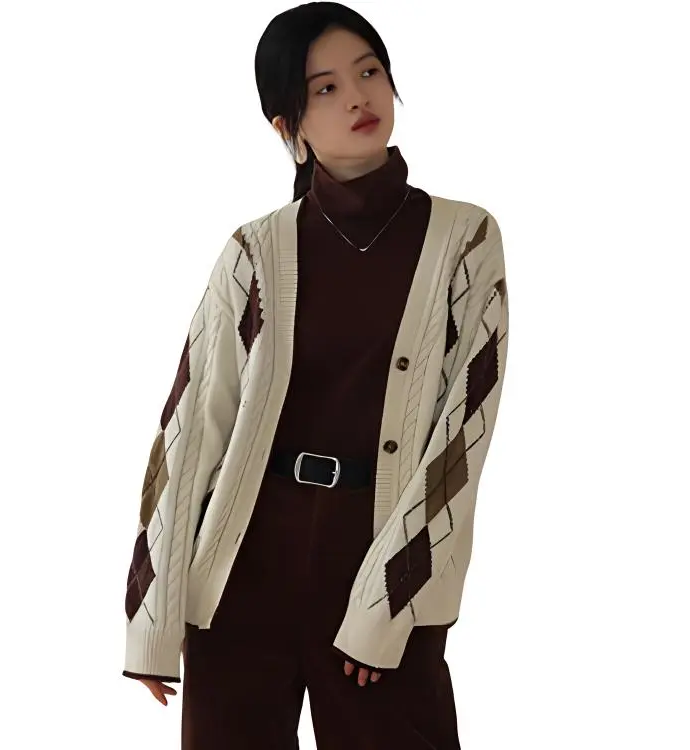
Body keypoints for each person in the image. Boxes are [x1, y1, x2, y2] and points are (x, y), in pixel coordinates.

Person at [121, 3, 509, 748]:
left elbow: (464, 432)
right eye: (324, 88)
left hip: (381, 569)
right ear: (286, 127)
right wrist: (152, 618)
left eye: (369, 72)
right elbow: (190, 430)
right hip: (243, 577)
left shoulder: (465, 239)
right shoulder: (254, 250)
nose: (358, 96)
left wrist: (385, 606)